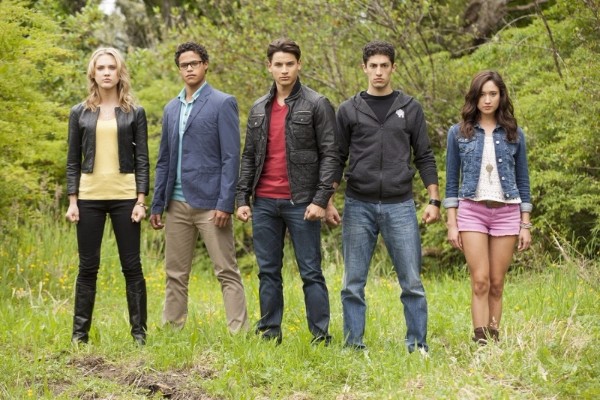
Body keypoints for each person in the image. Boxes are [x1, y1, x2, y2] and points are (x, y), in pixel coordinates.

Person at [334, 40, 440, 353]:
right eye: (373, 66)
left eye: (384, 66)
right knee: (353, 283)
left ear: (393, 68)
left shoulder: (410, 108)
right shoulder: (349, 109)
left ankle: (417, 345)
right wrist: (326, 199)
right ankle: (353, 346)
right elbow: (336, 157)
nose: (378, 72)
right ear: (364, 68)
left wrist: (434, 200)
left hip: (400, 204)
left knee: (412, 282)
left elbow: (424, 156)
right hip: (358, 204)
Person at [236, 38, 339, 345]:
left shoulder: (317, 103)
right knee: (268, 271)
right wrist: (242, 198)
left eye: (289, 64)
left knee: (311, 272)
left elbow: (331, 155)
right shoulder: (259, 107)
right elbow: (248, 156)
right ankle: (269, 334)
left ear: (299, 65)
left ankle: (320, 337)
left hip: (302, 202)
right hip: (264, 202)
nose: (284, 70)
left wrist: (320, 200)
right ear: (269, 66)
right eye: (278, 64)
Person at [150, 42, 248, 333]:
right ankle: (172, 331)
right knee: (175, 273)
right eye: (184, 65)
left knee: (226, 270)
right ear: (179, 69)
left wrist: (225, 202)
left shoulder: (222, 102)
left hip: (211, 204)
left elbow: (231, 157)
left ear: (205, 64)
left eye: (194, 63)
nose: (189, 69)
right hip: (176, 204)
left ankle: (239, 333)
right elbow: (164, 159)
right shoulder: (171, 108)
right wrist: (157, 203)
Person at [66, 47, 150, 345]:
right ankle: (79, 337)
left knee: (132, 267)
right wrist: (72, 201)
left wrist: (141, 200)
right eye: (100, 67)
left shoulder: (135, 112)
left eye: (111, 67)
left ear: (119, 73)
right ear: (93, 73)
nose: (106, 72)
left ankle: (139, 335)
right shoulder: (79, 112)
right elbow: (73, 160)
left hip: (125, 198)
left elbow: (142, 160)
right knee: (88, 267)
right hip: (88, 198)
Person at [443, 70, 532, 345]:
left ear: (501, 96)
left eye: (493, 94)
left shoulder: (515, 134)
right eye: (482, 94)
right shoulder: (458, 133)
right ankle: (481, 341)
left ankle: (494, 340)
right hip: (472, 211)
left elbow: (523, 181)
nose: (488, 100)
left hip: (507, 213)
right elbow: (451, 181)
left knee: (496, 283)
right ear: (474, 97)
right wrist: (452, 223)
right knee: (480, 280)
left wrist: (525, 224)